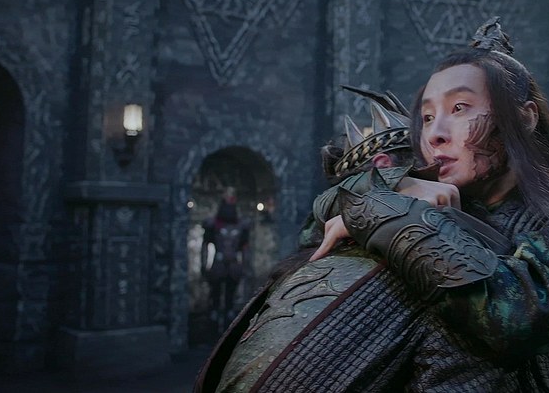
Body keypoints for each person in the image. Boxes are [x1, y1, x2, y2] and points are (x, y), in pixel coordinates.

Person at [312, 18, 549, 391]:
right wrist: (392, 194)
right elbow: (319, 226)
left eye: (459, 108)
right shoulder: (434, 201)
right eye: (427, 117)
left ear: (524, 118)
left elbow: (514, 319)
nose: (435, 134)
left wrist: (392, 215)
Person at [196, 87, 521, 392]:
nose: (440, 169)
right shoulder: (426, 262)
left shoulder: (320, 247)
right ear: (384, 166)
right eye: (426, 163)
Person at [202, 187, 251, 330]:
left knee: (230, 295)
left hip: (233, 265)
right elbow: (205, 245)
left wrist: (245, 266)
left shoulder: (240, 225)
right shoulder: (213, 225)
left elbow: (244, 247)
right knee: (215, 295)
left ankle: (226, 317)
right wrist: (204, 265)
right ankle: (214, 316)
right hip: (219, 264)